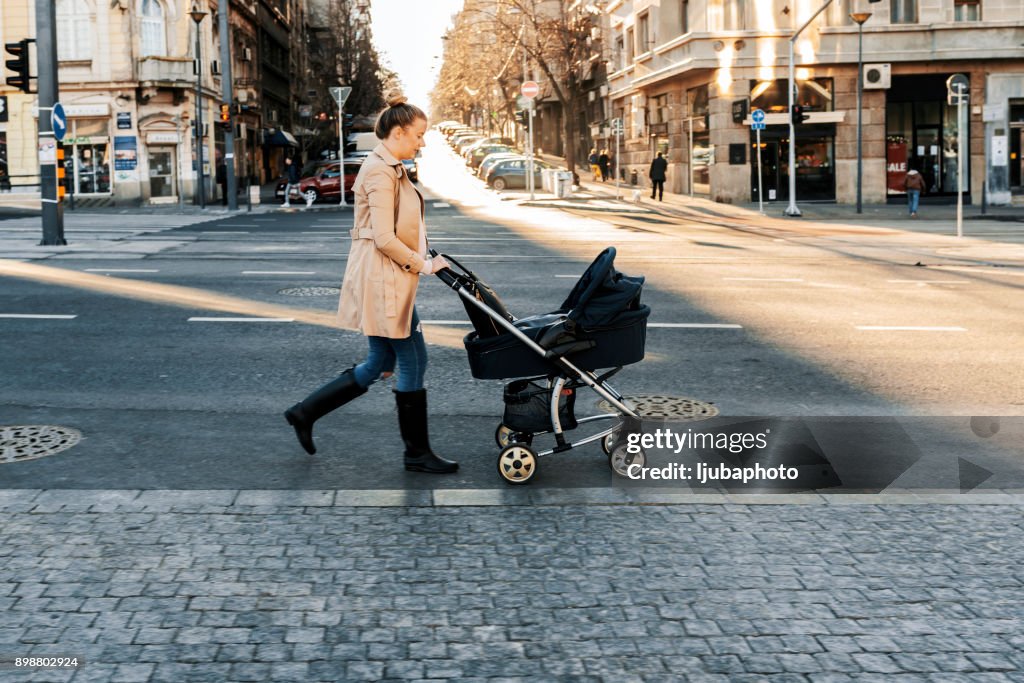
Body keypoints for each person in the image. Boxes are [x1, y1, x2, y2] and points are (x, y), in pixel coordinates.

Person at [283, 95, 458, 474]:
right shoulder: (380, 171)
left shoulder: (390, 166)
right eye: (419, 135)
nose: (422, 142)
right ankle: (416, 454)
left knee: (380, 361)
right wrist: (424, 265)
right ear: (398, 133)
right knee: (413, 361)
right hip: (385, 280)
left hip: (386, 276)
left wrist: (425, 252)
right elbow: (383, 237)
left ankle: (304, 412)